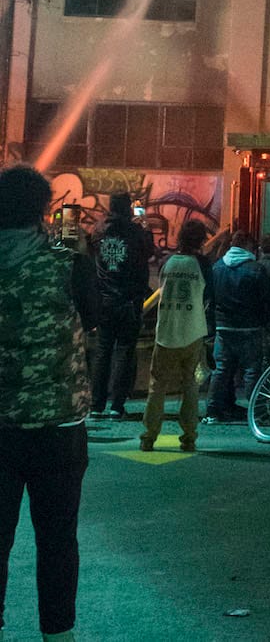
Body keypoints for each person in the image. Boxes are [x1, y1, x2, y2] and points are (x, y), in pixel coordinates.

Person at [0, 164, 99, 642]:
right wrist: (67, 234)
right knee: (57, 537)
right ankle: (58, 634)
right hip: (58, 422)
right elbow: (93, 311)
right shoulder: (62, 250)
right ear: (42, 207)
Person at [140, 220, 210, 453]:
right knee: (190, 384)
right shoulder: (201, 264)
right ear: (200, 240)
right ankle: (189, 437)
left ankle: (148, 436)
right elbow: (209, 294)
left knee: (157, 386)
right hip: (192, 331)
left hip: (166, 331)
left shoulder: (167, 263)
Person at [88, 192, 153, 420]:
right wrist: (145, 227)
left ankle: (96, 405)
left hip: (104, 300)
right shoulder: (135, 231)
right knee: (124, 351)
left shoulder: (97, 229)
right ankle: (117, 405)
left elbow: (90, 255)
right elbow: (149, 253)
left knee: (103, 352)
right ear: (128, 208)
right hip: (128, 300)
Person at [203, 232, 270, 424]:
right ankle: (257, 412)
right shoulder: (256, 269)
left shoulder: (217, 267)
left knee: (222, 370)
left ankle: (213, 411)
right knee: (252, 370)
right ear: (248, 246)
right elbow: (265, 301)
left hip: (223, 327)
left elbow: (210, 298)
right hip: (250, 327)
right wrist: (265, 323)